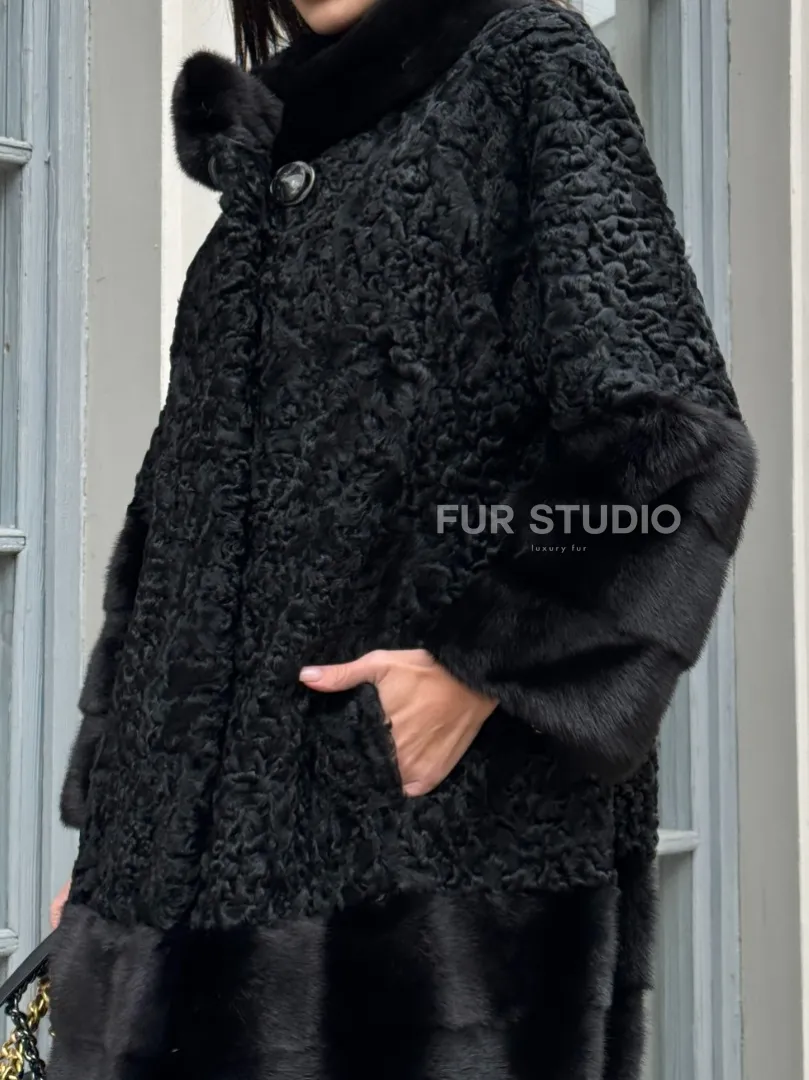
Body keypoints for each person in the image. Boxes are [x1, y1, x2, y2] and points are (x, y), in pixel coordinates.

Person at [47, 0, 757, 1078]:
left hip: (422, 919)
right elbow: (172, 550)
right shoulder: (268, 164)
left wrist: (481, 665)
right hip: (163, 935)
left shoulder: (520, 65)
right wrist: (116, 846)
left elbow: (669, 447)